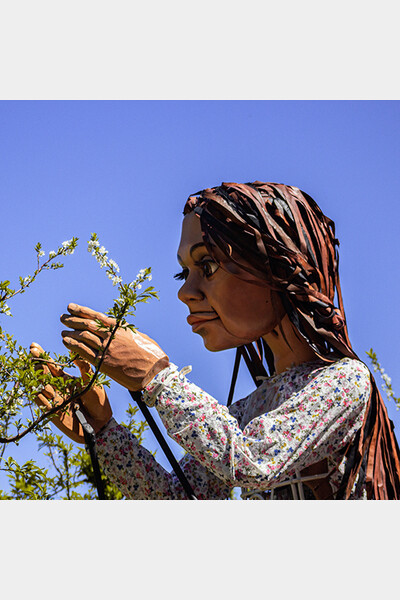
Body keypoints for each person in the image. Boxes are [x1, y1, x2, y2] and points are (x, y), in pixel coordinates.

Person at [30, 181, 400, 499]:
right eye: (183, 274)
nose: (186, 292)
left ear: (280, 267)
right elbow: (178, 500)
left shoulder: (344, 381)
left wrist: (157, 377)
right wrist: (104, 431)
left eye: (207, 266)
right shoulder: (251, 408)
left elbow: (253, 461)